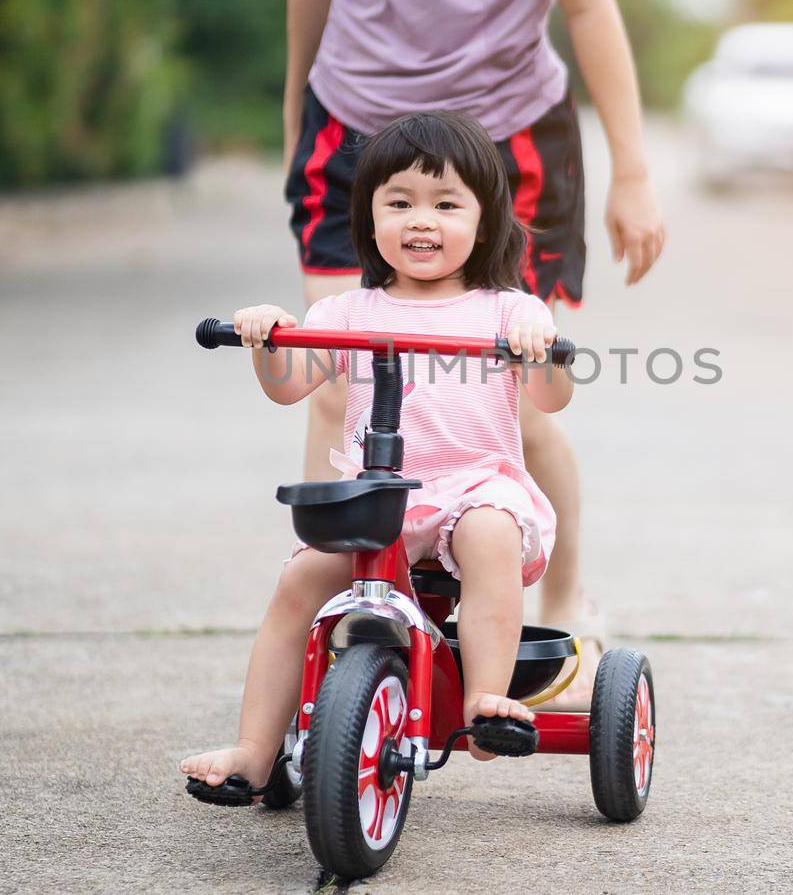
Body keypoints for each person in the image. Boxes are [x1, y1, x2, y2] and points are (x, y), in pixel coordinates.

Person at [275, 0, 665, 707]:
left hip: (506, 131)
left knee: (510, 400)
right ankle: (358, 605)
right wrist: (295, 111)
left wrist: (632, 171)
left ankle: (561, 602)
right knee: (344, 379)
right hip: (354, 124)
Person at [181, 111, 574, 791]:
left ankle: (485, 701)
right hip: (381, 492)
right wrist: (269, 338)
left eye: (446, 204)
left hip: (477, 485)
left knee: (488, 534)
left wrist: (541, 340)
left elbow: (553, 396)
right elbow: (288, 387)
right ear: (368, 221)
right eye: (399, 203)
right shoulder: (347, 313)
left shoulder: (505, 310)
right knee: (298, 583)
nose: (421, 220)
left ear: (484, 222)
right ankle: (253, 746)